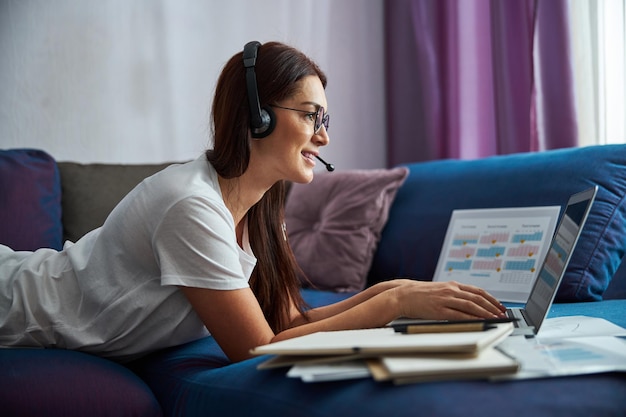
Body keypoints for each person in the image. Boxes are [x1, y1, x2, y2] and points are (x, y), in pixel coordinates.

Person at [0, 41, 506, 363]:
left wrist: (392, 292)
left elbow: (285, 323)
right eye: (312, 116)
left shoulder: (257, 211)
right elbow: (257, 348)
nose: (324, 138)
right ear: (258, 117)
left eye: (324, 120)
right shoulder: (191, 206)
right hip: (13, 306)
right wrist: (395, 304)